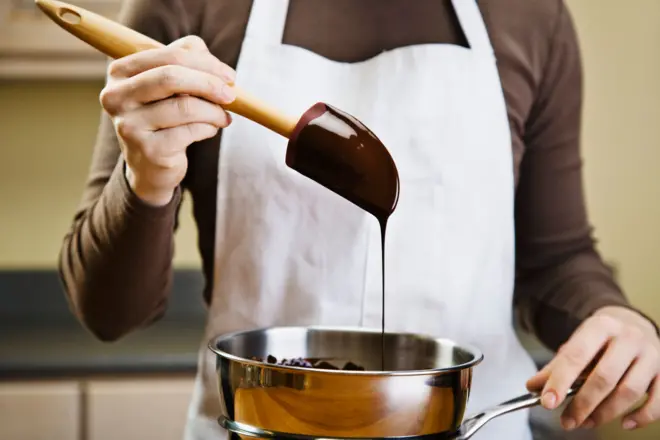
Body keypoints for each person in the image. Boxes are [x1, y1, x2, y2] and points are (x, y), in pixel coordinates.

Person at [58, 0, 660, 439]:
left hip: (475, 427)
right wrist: (147, 178)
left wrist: (617, 319)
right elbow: (108, 314)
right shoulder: (187, 8)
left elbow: (556, 260)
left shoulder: (529, 17)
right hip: (258, 429)